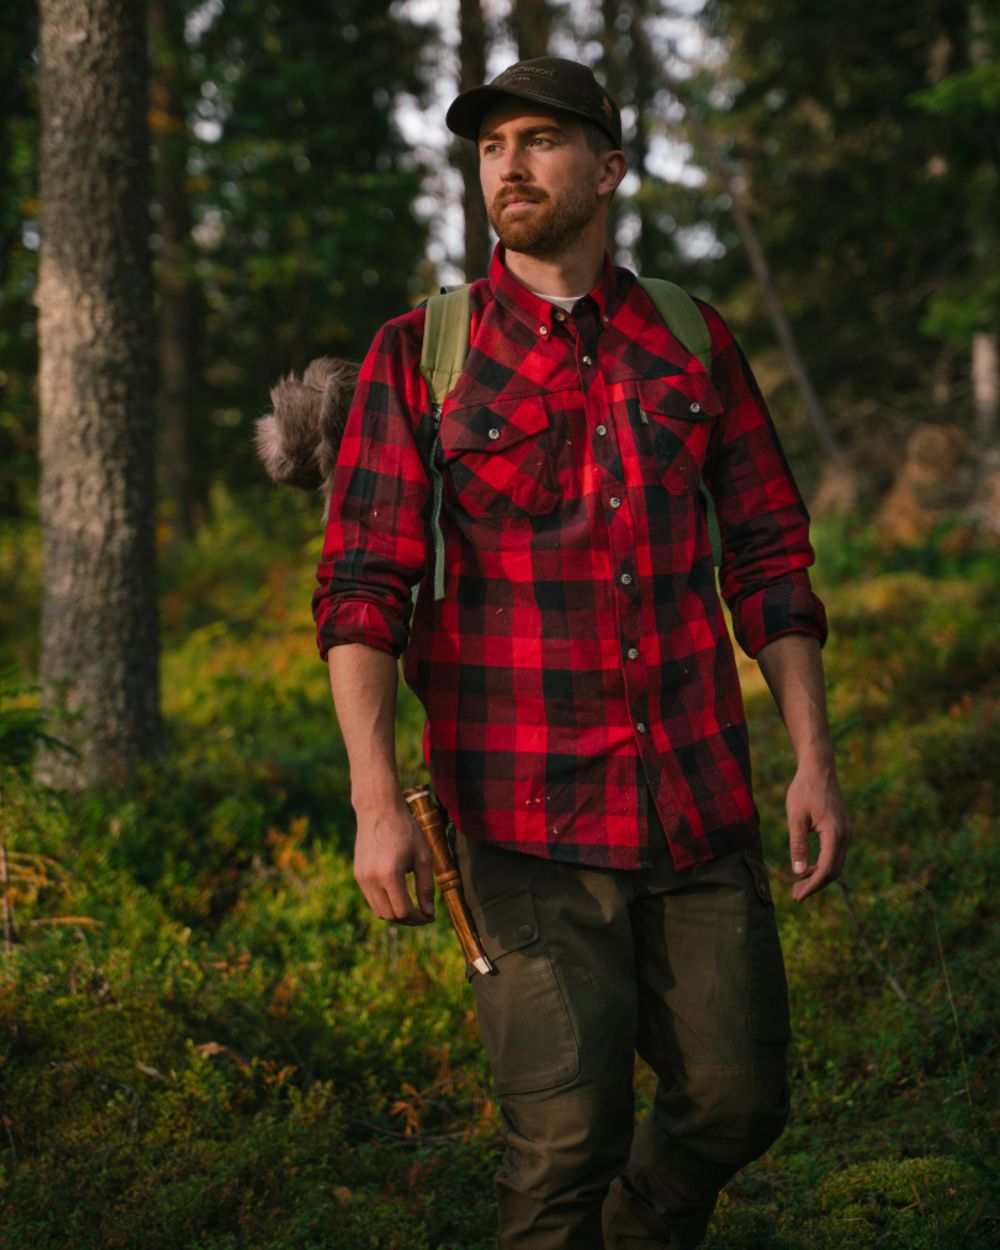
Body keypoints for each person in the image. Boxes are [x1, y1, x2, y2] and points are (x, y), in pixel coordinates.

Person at [312, 56, 851, 1250]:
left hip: (697, 803)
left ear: (606, 169)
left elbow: (768, 555)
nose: (510, 161)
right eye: (492, 142)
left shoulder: (690, 340)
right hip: (523, 824)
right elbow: (361, 591)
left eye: (542, 139)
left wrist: (811, 757)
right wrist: (372, 801)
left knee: (738, 1099)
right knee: (561, 1143)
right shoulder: (420, 355)